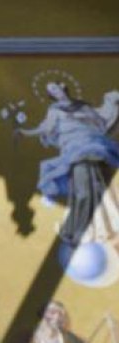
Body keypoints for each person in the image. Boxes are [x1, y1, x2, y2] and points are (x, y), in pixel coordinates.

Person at [17, 81, 119, 245]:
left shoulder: (82, 106)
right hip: (74, 148)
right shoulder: (55, 110)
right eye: (51, 90)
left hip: (92, 145)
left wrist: (84, 116)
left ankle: (86, 228)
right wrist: (25, 132)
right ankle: (73, 231)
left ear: (62, 87)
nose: (54, 91)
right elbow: (45, 128)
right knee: (84, 191)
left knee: (96, 189)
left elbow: (99, 122)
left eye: (55, 87)